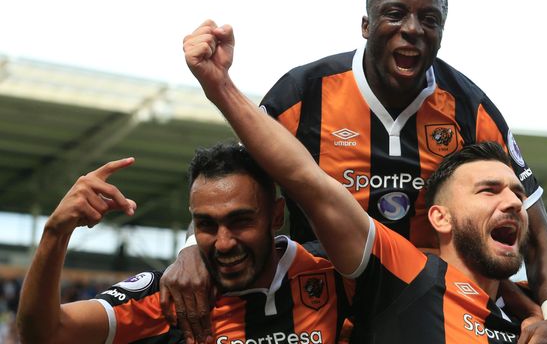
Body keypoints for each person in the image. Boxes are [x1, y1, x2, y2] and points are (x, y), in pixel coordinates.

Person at [182, 32, 547, 343]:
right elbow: (306, 179)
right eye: (487, 191)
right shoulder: (402, 277)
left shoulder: (527, 313)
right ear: (440, 218)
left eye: (512, 191)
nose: (511, 201)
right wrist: (220, 86)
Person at [166, 0, 547, 343]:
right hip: (319, 310)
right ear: (366, 24)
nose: (413, 28)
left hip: (427, 312)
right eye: (396, 14)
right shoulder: (303, 94)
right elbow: (228, 191)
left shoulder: (471, 109)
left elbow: (539, 234)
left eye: (430, 19)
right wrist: (190, 252)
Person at [16, 144, 350, 344]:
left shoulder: (338, 274)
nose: (223, 243)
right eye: (206, 224)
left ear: (276, 216)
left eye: (241, 221)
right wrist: (55, 233)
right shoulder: (171, 297)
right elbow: (44, 335)